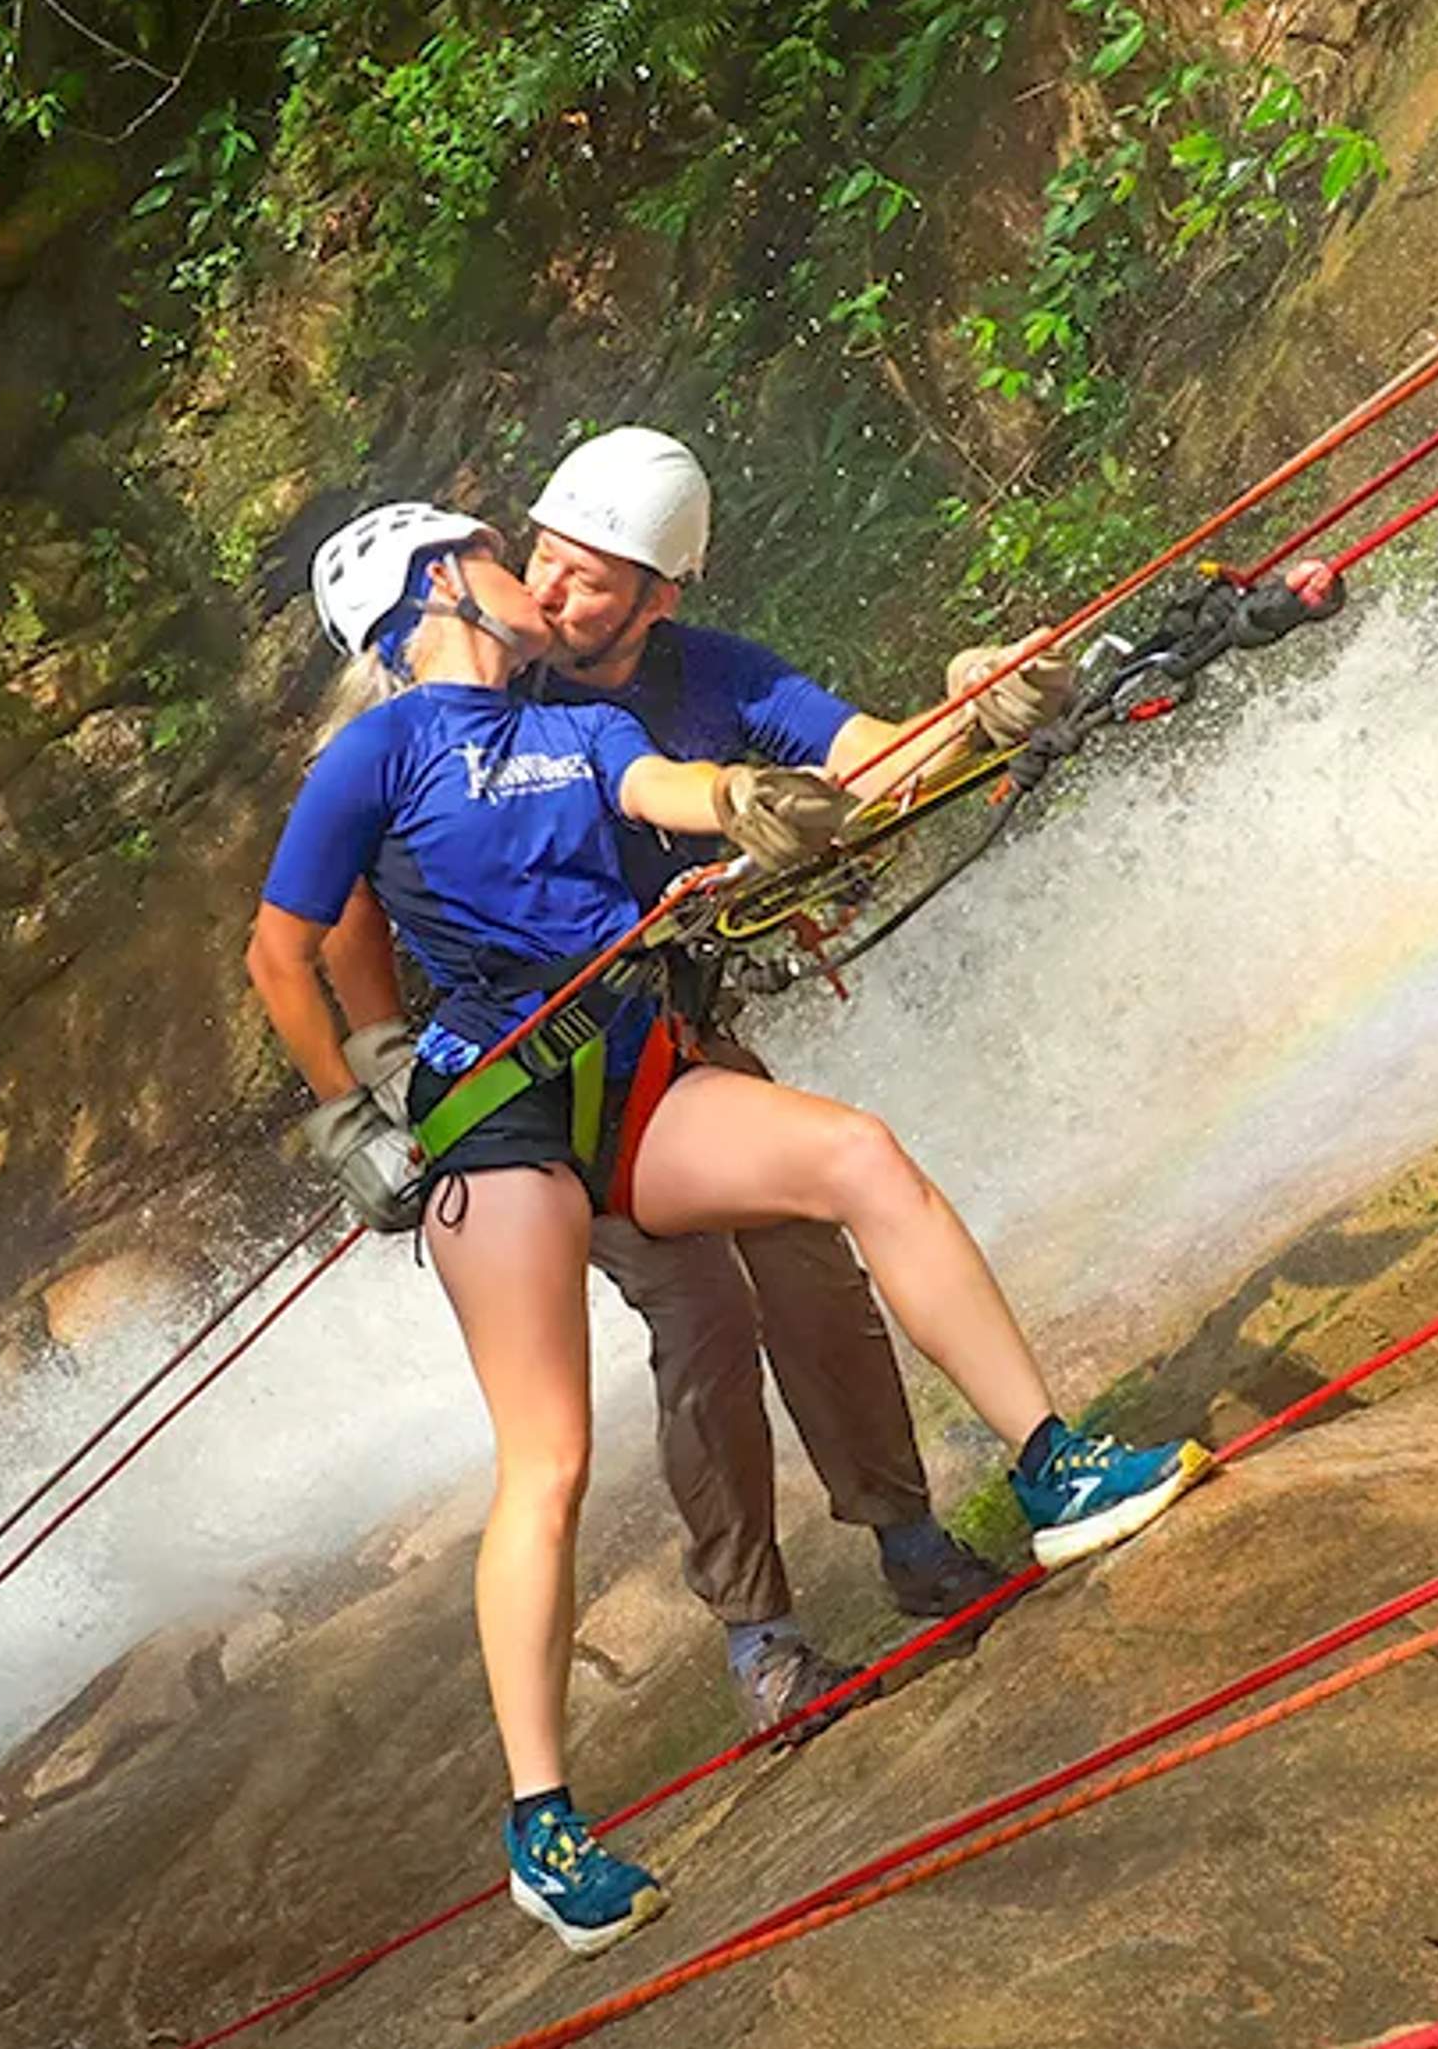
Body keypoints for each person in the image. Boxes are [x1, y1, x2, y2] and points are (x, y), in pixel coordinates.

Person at [246, 500, 1203, 1958]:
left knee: (861, 1162)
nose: (525, 571)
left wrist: (753, 804)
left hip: (635, 1078)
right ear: (444, 582)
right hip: (493, 1118)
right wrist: (347, 1106)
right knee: (550, 1457)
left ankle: (1054, 1467)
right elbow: (282, 945)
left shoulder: (579, 729)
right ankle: (542, 1820)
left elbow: (668, 791)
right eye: (495, 552)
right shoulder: (377, 752)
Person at [316, 427, 1076, 1741]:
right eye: (540, 558)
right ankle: (762, 1637)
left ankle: (905, 1538)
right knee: (706, 1312)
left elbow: (865, 763)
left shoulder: (713, 680)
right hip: (545, 1091)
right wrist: (375, 1080)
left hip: (677, 1040)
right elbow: (337, 913)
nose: (551, 592)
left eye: (588, 575)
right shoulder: (482, 693)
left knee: (810, 1257)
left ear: (657, 597)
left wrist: (974, 711)